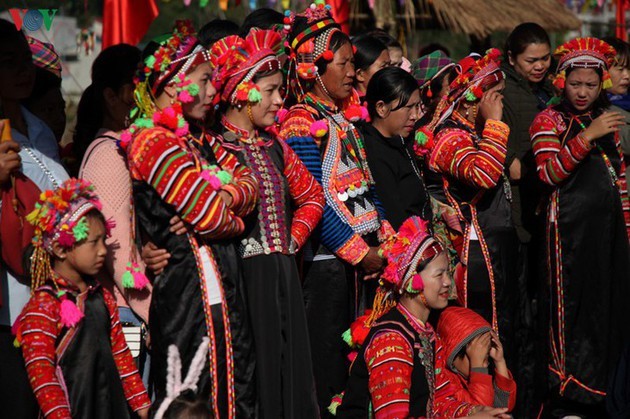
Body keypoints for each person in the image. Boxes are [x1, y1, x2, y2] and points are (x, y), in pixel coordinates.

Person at [123, 21, 258, 417]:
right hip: (187, 299)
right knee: (189, 397)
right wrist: (228, 219)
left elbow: (250, 185)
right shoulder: (151, 141)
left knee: (237, 391)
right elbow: (214, 219)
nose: (214, 90)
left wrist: (226, 198)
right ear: (171, 84)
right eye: (204, 80)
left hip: (224, 293)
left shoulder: (202, 140)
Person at [279, 1, 394, 414]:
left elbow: (365, 184)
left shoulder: (344, 120)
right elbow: (314, 199)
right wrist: (361, 253)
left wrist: (386, 236)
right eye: (343, 63)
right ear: (314, 69)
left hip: (360, 265)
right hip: (328, 266)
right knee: (326, 369)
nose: (352, 72)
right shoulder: (297, 122)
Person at [211, 29, 323, 418]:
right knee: (252, 373)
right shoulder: (214, 149)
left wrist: (291, 239)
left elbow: (312, 196)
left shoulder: (275, 145)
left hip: (283, 271)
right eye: (272, 90)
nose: (280, 100)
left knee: (289, 369)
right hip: (242, 277)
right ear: (243, 91)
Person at [529, 37, 630, 417]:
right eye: (575, 84)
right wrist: (586, 137)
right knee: (572, 315)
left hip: (608, 235)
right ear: (561, 82)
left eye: (590, 84)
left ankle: (603, 393)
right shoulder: (548, 120)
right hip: (566, 239)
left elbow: (616, 181)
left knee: (608, 310)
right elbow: (548, 173)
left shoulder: (605, 121)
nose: (583, 92)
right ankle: (569, 394)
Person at [337, 216, 509, 418]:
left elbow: (440, 401)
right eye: (439, 275)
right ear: (412, 279)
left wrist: (473, 411)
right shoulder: (391, 341)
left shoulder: (425, 333)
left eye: (448, 273)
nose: (448, 283)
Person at [15, 178, 151, 418]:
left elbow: (121, 356)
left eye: (104, 241)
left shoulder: (102, 296)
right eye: (93, 243)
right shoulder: (43, 306)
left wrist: (141, 405)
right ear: (60, 249)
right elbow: (42, 373)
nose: (102, 251)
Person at [429, 49, 519, 363]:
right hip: (471, 256)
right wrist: (495, 123)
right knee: (479, 332)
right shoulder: (449, 137)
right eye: (495, 96)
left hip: (494, 251)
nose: (500, 103)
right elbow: (483, 174)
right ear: (471, 100)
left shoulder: (472, 131)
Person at [0, 19, 68, 418]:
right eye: (9, 62)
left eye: (25, 60)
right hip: (10, 308)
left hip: (52, 298)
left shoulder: (40, 128)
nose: (24, 71)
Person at [361, 66, 432, 230]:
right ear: (381, 108)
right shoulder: (374, 153)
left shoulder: (402, 141)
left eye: (417, 107)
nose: (415, 116)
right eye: (408, 108)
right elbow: (396, 218)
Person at [437, 306, 517, 411]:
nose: (485, 364)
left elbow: (503, 407)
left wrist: (499, 361)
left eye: (486, 358)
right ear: (454, 356)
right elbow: (482, 413)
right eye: (477, 357)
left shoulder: (467, 377)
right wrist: (478, 365)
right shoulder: (447, 385)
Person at [603, 37, 630, 180]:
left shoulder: (626, 100)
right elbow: (626, 142)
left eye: (629, 69)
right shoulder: (600, 108)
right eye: (620, 69)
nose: (627, 76)